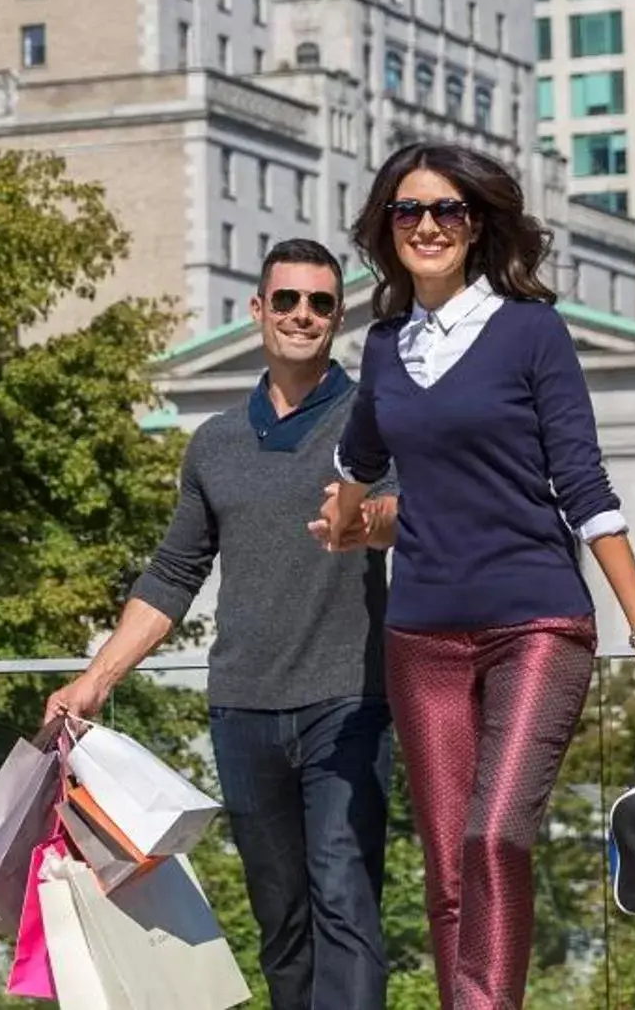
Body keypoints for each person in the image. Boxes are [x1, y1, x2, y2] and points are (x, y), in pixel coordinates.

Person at [312, 143, 635, 1010]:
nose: (430, 226)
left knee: (492, 839)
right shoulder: (383, 347)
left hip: (537, 624)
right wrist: (345, 523)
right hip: (422, 638)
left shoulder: (530, 331)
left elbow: (586, 489)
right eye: (410, 212)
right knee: (446, 870)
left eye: (448, 210)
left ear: (477, 225)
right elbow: (357, 459)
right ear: (388, 229)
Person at [47, 239, 400, 1010]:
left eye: (320, 304)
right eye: (287, 301)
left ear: (337, 318)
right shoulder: (215, 443)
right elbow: (175, 572)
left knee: (345, 896)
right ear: (257, 312)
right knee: (282, 920)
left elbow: (398, 516)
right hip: (243, 709)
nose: (302, 316)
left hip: (349, 699)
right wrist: (96, 677)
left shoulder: (370, 421)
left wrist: (364, 520)